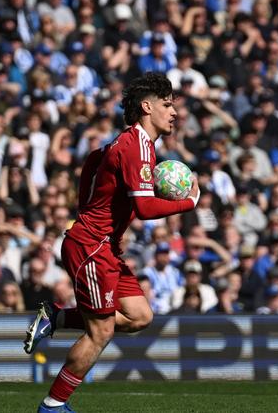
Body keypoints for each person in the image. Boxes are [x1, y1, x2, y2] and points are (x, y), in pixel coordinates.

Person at [23, 73, 199, 413]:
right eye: (167, 104)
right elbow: (145, 207)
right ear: (146, 107)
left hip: (103, 246)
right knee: (101, 331)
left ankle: (56, 318)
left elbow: (92, 163)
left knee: (140, 315)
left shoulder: (124, 145)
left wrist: (92, 212)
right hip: (90, 245)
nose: (174, 112)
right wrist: (188, 202)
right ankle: (53, 405)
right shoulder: (135, 146)